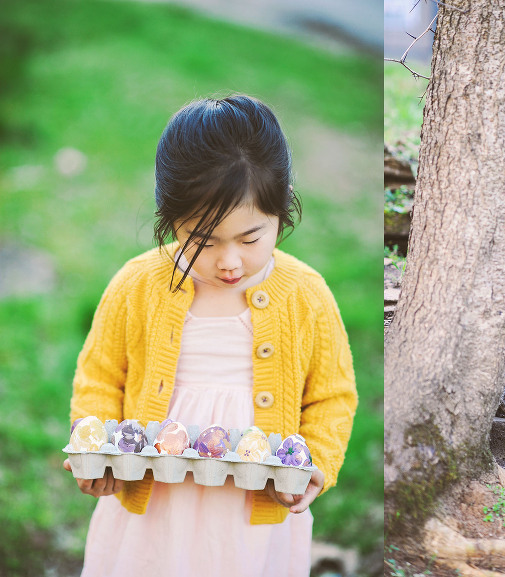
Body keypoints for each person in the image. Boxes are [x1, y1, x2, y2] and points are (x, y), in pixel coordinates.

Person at [62, 95, 357, 576]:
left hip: (251, 516)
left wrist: (318, 462)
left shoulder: (306, 295)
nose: (229, 262)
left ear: (282, 211)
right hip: (153, 503)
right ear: (170, 218)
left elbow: (332, 395)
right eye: (203, 240)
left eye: (250, 238)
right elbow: (98, 375)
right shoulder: (137, 286)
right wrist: (97, 451)